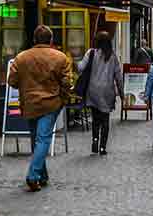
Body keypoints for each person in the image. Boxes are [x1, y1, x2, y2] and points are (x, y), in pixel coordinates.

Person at [7, 25, 75, 192]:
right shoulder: (60, 57)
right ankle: (33, 175)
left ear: (34, 40)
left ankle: (42, 176)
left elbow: (12, 81)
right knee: (43, 139)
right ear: (51, 40)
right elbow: (67, 82)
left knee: (36, 139)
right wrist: (64, 98)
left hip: (29, 103)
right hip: (50, 103)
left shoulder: (22, 57)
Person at [79, 30, 123, 155]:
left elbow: (81, 67)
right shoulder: (113, 56)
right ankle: (103, 147)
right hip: (107, 91)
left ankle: (95, 140)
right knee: (105, 119)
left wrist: (73, 60)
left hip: (92, 90)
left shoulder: (91, 53)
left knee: (95, 118)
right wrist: (121, 92)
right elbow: (118, 76)